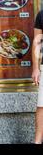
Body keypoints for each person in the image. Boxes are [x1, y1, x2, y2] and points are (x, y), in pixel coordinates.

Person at [32, 9, 43, 144]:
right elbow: (37, 43)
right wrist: (36, 68)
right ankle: (37, 141)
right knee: (42, 105)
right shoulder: (42, 15)